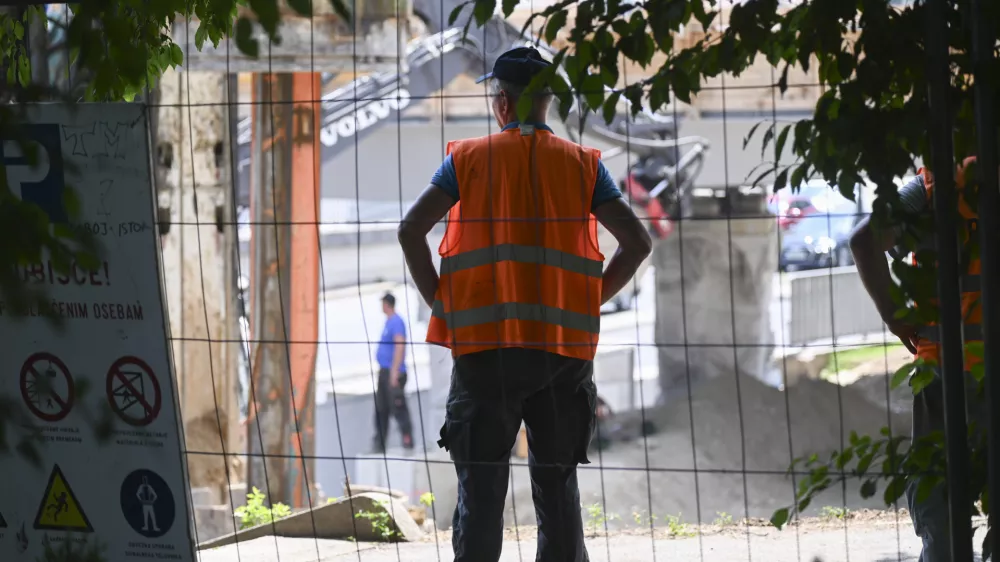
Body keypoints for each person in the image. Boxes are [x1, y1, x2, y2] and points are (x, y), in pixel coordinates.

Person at [397, 46, 652, 562]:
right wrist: (587, 299)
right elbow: (638, 243)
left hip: (485, 351)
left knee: (482, 493)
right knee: (558, 489)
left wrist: (441, 303)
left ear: (502, 104)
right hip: (562, 352)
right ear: (547, 102)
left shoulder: (466, 160)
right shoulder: (583, 167)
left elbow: (410, 231)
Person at [849, 156, 984, 562]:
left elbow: (864, 240)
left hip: (946, 362)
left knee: (937, 487)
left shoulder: (937, 184)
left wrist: (893, 316)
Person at [371, 292, 415, 453]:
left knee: (398, 407)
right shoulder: (388, 322)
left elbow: (399, 346)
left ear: (387, 304)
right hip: (384, 372)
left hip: (393, 372)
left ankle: (407, 440)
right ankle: (379, 444)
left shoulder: (397, 322)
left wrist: (394, 371)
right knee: (381, 409)